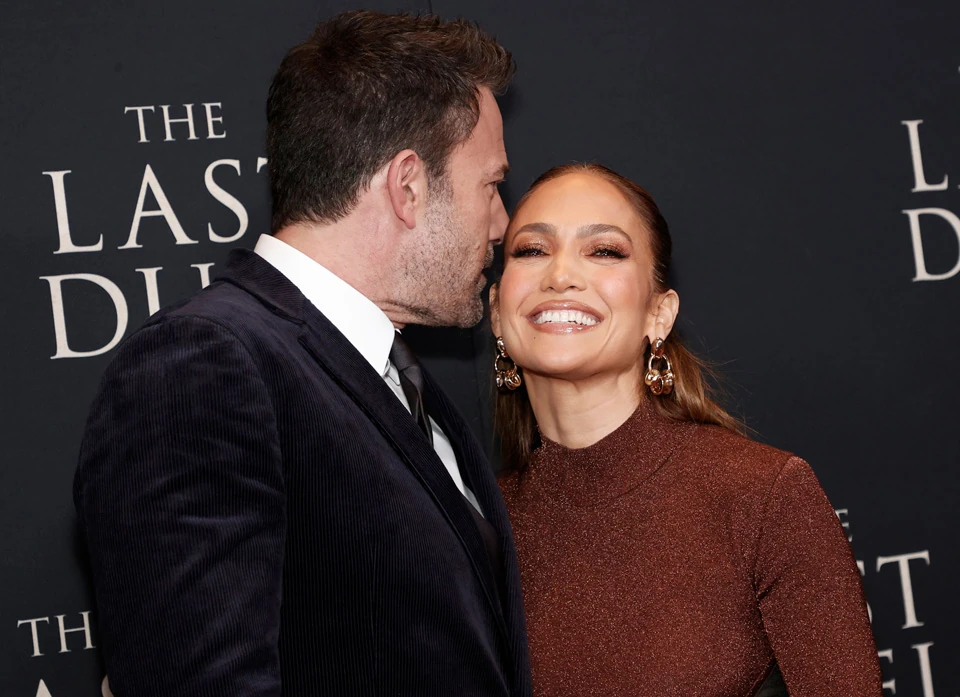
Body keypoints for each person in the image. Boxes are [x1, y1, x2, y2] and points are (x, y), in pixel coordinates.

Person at [74, 11, 531, 697]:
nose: (502, 222)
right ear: (407, 186)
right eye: (491, 186)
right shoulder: (204, 366)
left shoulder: (393, 374)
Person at [491, 163, 883, 696]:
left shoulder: (762, 497)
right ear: (497, 312)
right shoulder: (473, 526)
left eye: (604, 251)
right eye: (532, 250)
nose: (560, 275)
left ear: (659, 313)